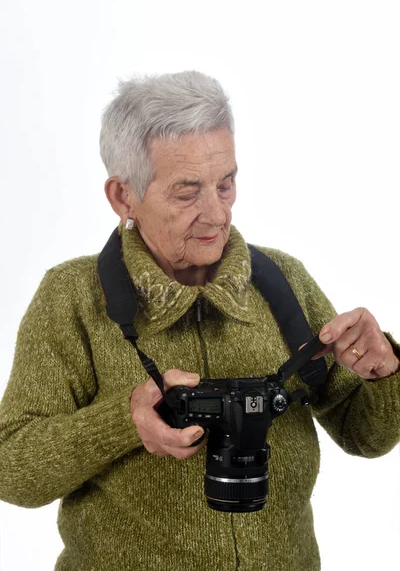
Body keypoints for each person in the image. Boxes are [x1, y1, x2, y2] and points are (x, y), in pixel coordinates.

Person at [0, 70, 399, 571]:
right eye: (188, 192)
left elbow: (367, 436)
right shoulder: (73, 298)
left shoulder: (282, 280)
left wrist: (382, 372)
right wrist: (123, 422)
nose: (217, 214)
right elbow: (12, 469)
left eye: (226, 184)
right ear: (124, 197)